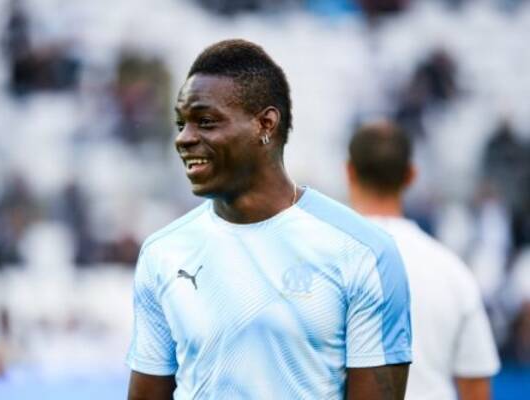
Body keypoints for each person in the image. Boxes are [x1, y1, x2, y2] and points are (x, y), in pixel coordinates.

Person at [126, 39, 412, 399]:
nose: (184, 138)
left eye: (206, 122)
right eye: (181, 123)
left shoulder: (365, 252)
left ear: (265, 124)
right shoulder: (163, 253)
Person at [346, 120, 501, 400]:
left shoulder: (322, 264)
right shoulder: (452, 271)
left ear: (349, 172)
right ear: (411, 175)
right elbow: (477, 388)